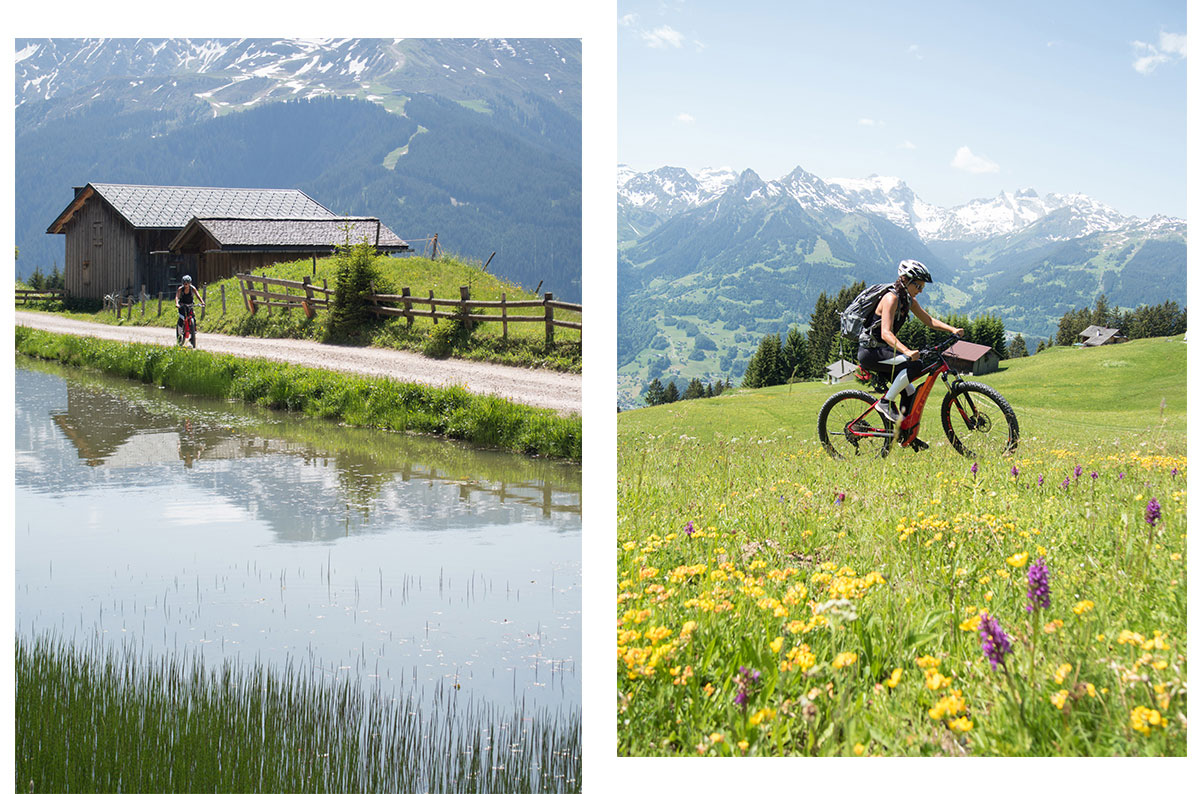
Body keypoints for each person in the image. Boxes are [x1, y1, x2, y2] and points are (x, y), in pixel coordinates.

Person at [856, 259, 963, 449]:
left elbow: (928, 320)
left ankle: (905, 434)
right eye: (918, 285)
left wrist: (952, 329)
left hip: (885, 350)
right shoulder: (891, 298)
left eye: (922, 286)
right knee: (914, 365)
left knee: (910, 391)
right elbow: (885, 333)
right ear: (906, 280)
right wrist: (906, 351)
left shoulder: (908, 300)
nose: (921, 290)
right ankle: (885, 402)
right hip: (871, 352)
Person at [175, 275, 205, 341]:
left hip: (190, 305)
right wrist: (177, 304)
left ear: (190, 283)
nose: (186, 284)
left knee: (193, 318)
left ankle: (193, 333)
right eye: (185, 283)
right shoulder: (180, 289)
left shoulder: (192, 288)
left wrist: (202, 302)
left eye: (187, 282)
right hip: (182, 306)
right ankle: (179, 334)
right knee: (181, 318)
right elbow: (177, 297)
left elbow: (198, 295)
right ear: (183, 283)